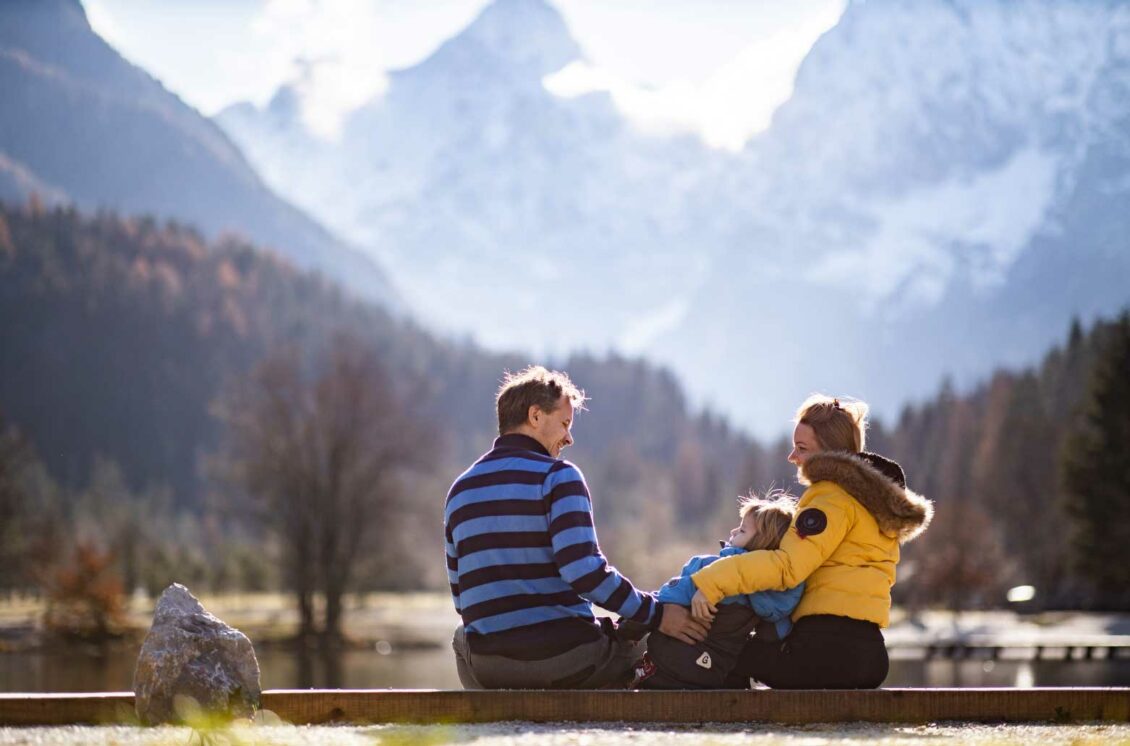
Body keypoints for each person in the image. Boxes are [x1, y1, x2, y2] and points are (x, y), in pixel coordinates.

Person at [445, 365, 709, 689]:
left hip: (489, 668)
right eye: (565, 423)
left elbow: (462, 601)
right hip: (567, 661)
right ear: (536, 416)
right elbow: (584, 573)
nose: (569, 437)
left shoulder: (459, 491)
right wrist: (656, 615)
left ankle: (492, 712)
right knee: (648, 640)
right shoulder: (558, 477)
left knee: (462, 638)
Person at [690, 394, 933, 689]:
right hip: (871, 654)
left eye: (802, 448)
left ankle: (728, 722)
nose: (793, 457)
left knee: (724, 646)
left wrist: (713, 581)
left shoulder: (830, 496)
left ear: (828, 453)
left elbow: (786, 567)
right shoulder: (874, 503)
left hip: (825, 650)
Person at [631, 493, 805, 689]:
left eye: (741, 530)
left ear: (759, 543)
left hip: (673, 660)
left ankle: (642, 674)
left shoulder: (712, 569)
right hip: (714, 673)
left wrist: (630, 626)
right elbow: (773, 633)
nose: (732, 531)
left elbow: (666, 597)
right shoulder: (774, 593)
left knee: (648, 645)